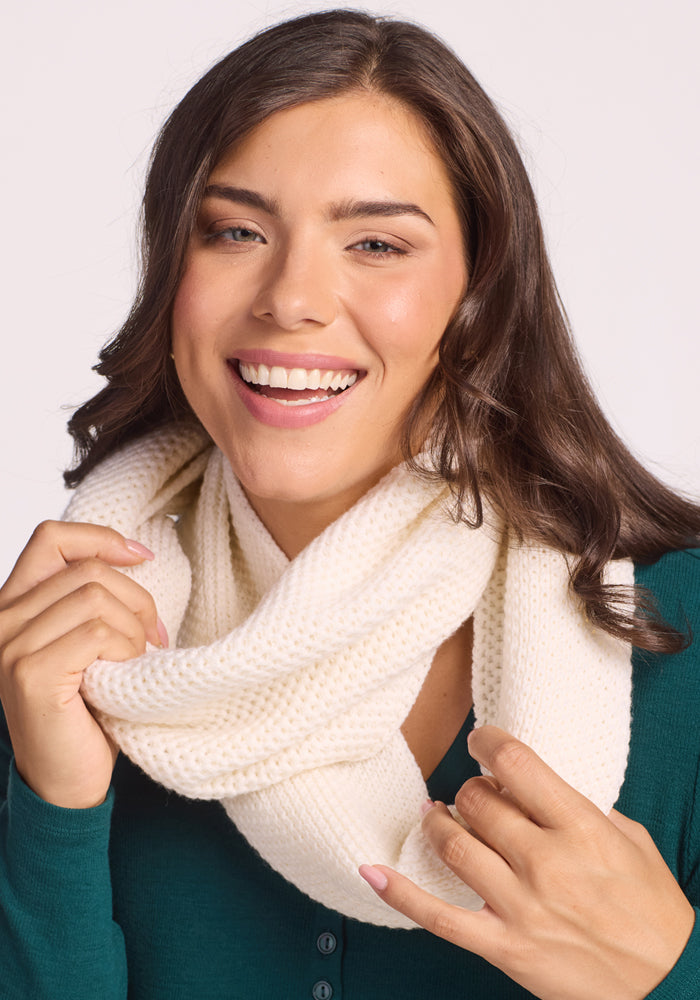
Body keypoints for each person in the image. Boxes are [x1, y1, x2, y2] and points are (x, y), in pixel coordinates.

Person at [0, 9, 698, 999]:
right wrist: (56, 805)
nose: (291, 297)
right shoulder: (60, 662)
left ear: (479, 295)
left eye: (375, 243)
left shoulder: (685, 641)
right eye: (235, 231)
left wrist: (667, 975)